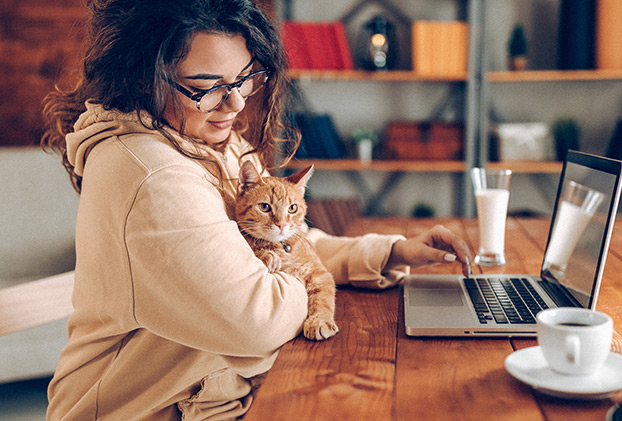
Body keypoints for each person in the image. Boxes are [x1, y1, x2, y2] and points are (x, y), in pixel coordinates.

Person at [41, 0, 473, 419]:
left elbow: (286, 247)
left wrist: (388, 252)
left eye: (245, 79)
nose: (236, 104)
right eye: (207, 86)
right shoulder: (156, 176)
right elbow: (258, 320)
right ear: (143, 77)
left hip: (212, 397)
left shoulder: (209, 142)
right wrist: (311, 283)